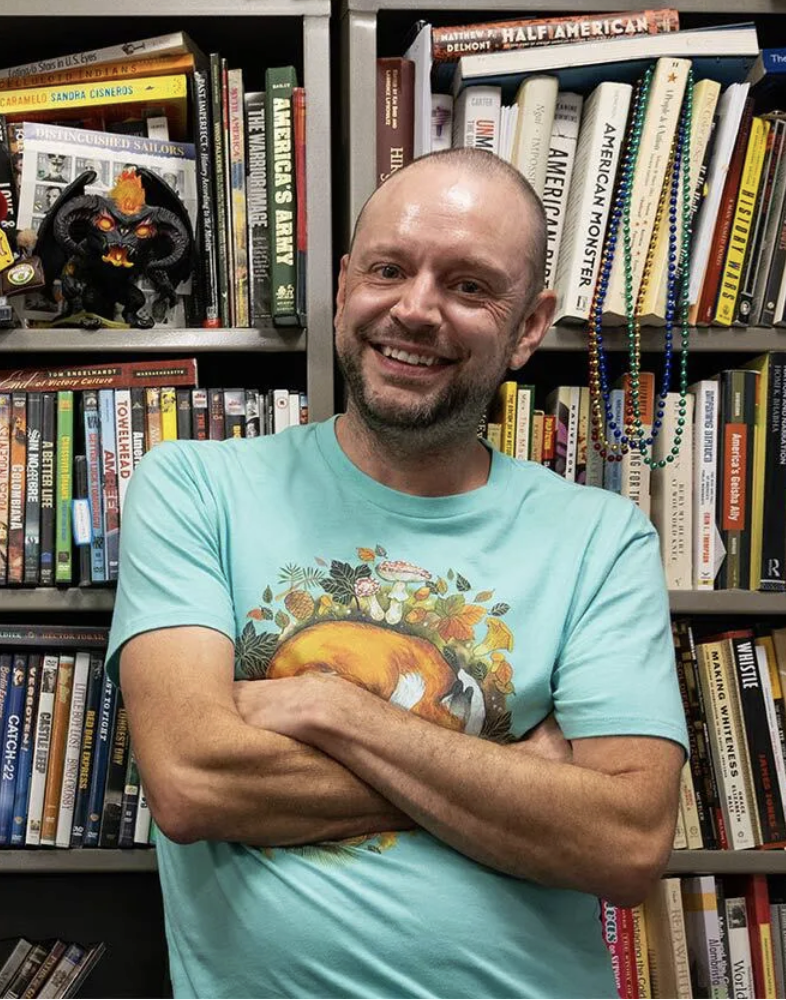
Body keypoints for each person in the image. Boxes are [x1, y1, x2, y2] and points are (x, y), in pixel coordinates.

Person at [106, 147, 688, 1000]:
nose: (416, 310)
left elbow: (627, 845)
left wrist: (327, 707)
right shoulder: (194, 487)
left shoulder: (603, 537)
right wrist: (522, 776)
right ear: (345, 288)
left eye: (469, 285)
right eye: (389, 269)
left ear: (529, 326)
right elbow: (193, 781)